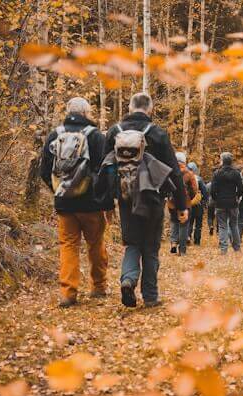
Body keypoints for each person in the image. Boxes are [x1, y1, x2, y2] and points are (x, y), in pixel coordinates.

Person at [103, 93, 188, 308]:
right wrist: (181, 205)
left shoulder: (115, 131)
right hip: (152, 199)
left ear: (130, 107)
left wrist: (107, 204)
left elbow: (103, 169)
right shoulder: (157, 133)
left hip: (125, 197)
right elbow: (174, 173)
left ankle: (128, 280)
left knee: (132, 243)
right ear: (149, 110)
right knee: (150, 246)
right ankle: (150, 297)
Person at [40, 97, 112, 308]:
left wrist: (59, 190)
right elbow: (105, 171)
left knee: (68, 246)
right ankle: (98, 287)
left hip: (65, 204)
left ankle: (68, 293)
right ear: (87, 113)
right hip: (91, 203)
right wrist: (106, 202)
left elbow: (45, 171)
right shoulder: (96, 136)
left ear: (68, 111)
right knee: (96, 244)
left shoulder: (56, 134)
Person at [211, 152, 243, 254]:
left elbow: (212, 190)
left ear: (222, 161)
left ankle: (224, 249)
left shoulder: (217, 173)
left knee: (222, 226)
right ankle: (237, 248)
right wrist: (237, 197)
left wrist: (216, 199)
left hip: (220, 203)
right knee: (234, 225)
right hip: (233, 202)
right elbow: (241, 188)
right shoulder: (236, 173)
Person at [168, 152, 200, 255]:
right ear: (184, 161)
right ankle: (182, 250)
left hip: (172, 203)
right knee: (183, 225)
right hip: (185, 203)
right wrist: (189, 199)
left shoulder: (169, 171)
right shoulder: (189, 174)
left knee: (173, 221)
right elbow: (195, 190)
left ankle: (173, 243)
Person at [187, 162, 208, 245]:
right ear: (195, 170)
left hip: (188, 203)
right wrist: (204, 201)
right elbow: (205, 192)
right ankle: (197, 240)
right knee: (198, 224)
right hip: (198, 204)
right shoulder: (199, 179)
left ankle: (188, 236)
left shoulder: (185, 178)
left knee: (189, 222)